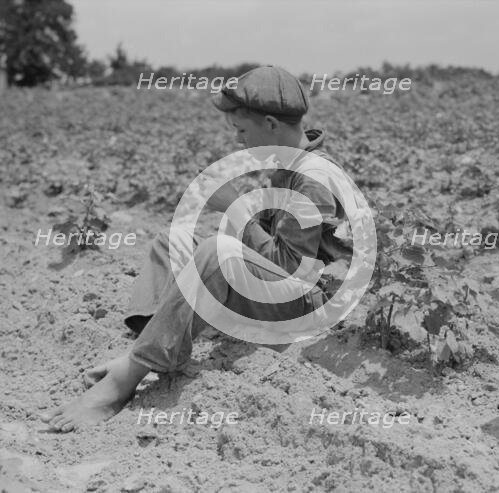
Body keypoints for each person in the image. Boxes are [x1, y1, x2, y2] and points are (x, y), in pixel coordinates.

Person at [42, 66, 352, 432]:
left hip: (308, 307)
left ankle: (126, 378)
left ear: (270, 124)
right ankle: (151, 341)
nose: (239, 142)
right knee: (170, 241)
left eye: (242, 131)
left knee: (214, 252)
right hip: (278, 294)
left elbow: (288, 269)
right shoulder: (284, 164)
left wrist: (235, 208)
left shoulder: (313, 177)